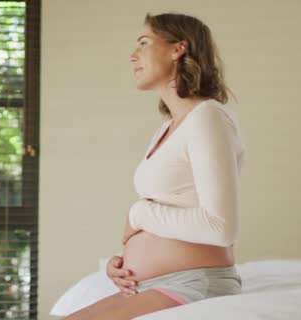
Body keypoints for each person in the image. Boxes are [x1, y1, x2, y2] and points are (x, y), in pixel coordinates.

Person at [64, 12, 245, 320]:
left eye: (144, 43)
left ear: (178, 49)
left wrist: (139, 214)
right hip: (153, 284)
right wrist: (123, 261)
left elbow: (220, 228)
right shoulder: (167, 129)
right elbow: (171, 207)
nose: (132, 56)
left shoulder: (208, 117)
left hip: (192, 284)